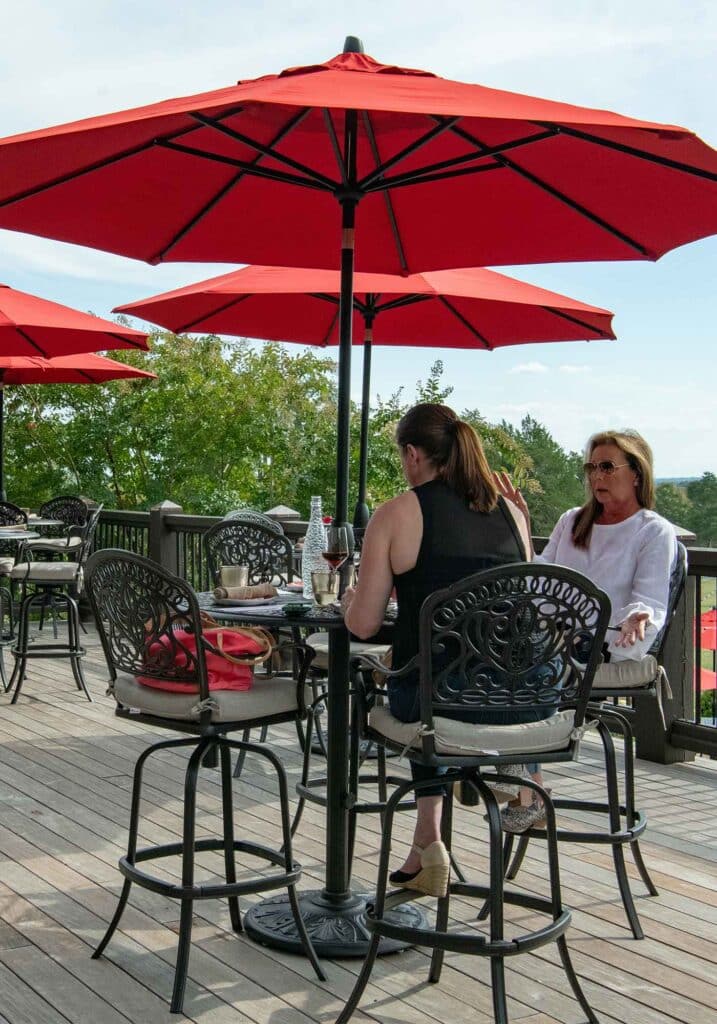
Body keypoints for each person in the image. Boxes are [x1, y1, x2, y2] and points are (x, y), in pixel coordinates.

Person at [342, 402, 529, 897]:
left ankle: (427, 844)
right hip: (523, 701)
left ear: (412, 454)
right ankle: (428, 845)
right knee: (434, 677)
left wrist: (347, 598)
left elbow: (362, 624)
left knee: (419, 687)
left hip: (437, 702)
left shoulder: (399, 512)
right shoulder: (512, 512)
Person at [496, 428, 677, 831]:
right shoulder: (572, 521)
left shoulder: (653, 531)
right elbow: (536, 584)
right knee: (495, 643)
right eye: (591, 467)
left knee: (517, 657)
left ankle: (513, 774)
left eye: (608, 466)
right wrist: (520, 529)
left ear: (636, 473)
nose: (597, 475)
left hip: (607, 643)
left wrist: (639, 616)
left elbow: (649, 598)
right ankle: (528, 784)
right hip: (551, 640)